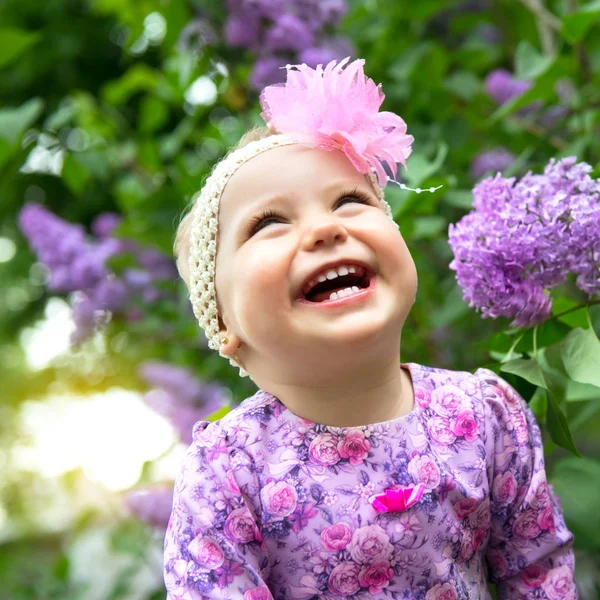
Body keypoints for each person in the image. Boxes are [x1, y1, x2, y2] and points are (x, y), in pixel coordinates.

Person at [164, 58, 577, 599]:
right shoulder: (227, 474)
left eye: (350, 200)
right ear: (223, 324)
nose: (324, 228)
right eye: (269, 222)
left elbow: (540, 573)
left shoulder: (485, 417)